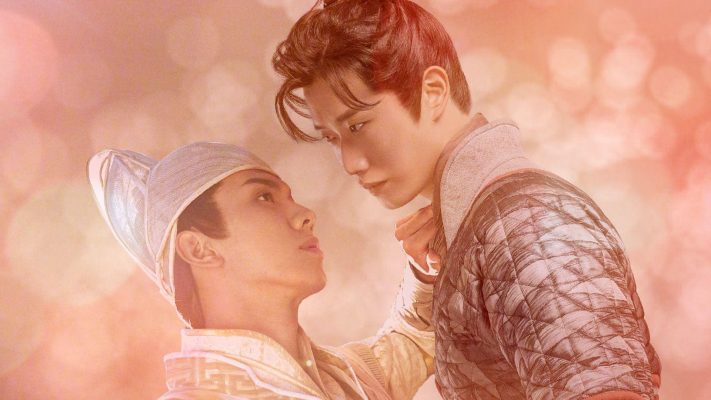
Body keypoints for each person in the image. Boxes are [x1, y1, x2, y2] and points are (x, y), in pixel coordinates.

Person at [270, 1, 661, 399]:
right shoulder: (483, 228)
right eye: (333, 138)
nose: (350, 163)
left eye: (358, 125)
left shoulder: (527, 224)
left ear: (433, 92)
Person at [87, 141, 439, 400]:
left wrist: (425, 268)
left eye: (289, 197)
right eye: (264, 197)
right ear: (198, 248)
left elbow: (415, 340)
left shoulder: (348, 379)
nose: (306, 214)